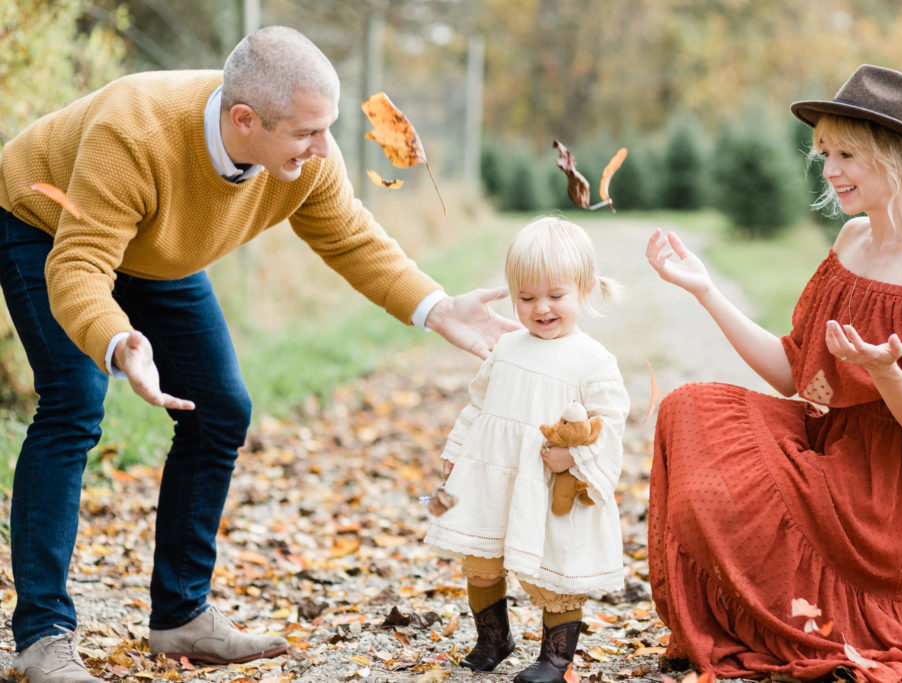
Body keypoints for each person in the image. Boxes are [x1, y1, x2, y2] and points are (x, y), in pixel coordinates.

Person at [0, 25, 518, 683]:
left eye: (326, 128)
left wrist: (438, 307)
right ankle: (43, 636)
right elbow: (79, 265)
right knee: (75, 399)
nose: (324, 148)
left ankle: (180, 614)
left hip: (156, 246)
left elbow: (353, 238)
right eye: (307, 133)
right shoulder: (133, 135)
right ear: (244, 119)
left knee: (222, 408)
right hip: (44, 224)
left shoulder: (306, 159)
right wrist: (118, 340)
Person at [645, 64, 902, 682]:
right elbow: (793, 375)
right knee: (688, 407)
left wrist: (887, 373)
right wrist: (704, 290)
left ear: (899, 157)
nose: (828, 170)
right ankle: (764, 613)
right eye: (824, 152)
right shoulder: (851, 240)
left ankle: (817, 618)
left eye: (846, 153)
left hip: (901, 491)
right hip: (837, 445)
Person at [424, 217, 629, 683]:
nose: (541, 308)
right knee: (481, 561)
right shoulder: (506, 347)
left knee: (552, 569)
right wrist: (457, 450)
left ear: (585, 289)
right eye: (527, 297)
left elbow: (610, 423)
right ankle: (494, 638)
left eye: (556, 295)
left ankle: (555, 659)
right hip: (494, 474)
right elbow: (479, 404)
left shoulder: (592, 359)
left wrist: (573, 460)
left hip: (548, 482)